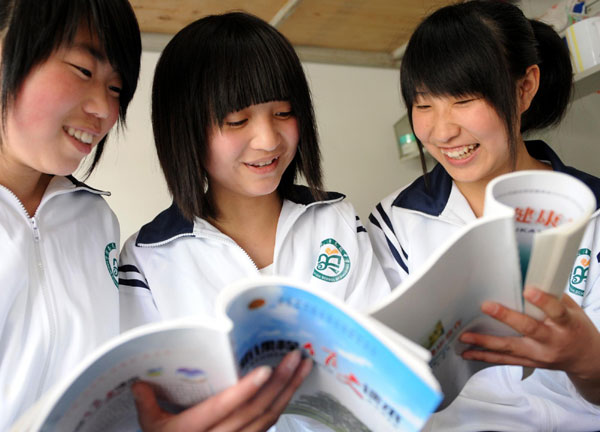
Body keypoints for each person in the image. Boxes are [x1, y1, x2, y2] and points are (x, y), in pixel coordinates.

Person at [0, 2, 309, 431]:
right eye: (83, 71)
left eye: (115, 88)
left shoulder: (93, 221)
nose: (104, 111)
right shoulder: (147, 255)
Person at [118, 11, 390, 431]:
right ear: (182, 129)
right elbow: (143, 408)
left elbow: (383, 363)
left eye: (283, 113)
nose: (267, 140)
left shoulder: (334, 220)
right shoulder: (150, 259)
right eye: (237, 120)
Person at [368, 1, 600, 430]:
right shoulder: (394, 224)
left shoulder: (593, 209)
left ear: (525, 87)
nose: (441, 131)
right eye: (423, 104)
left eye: (464, 99)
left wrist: (587, 359)